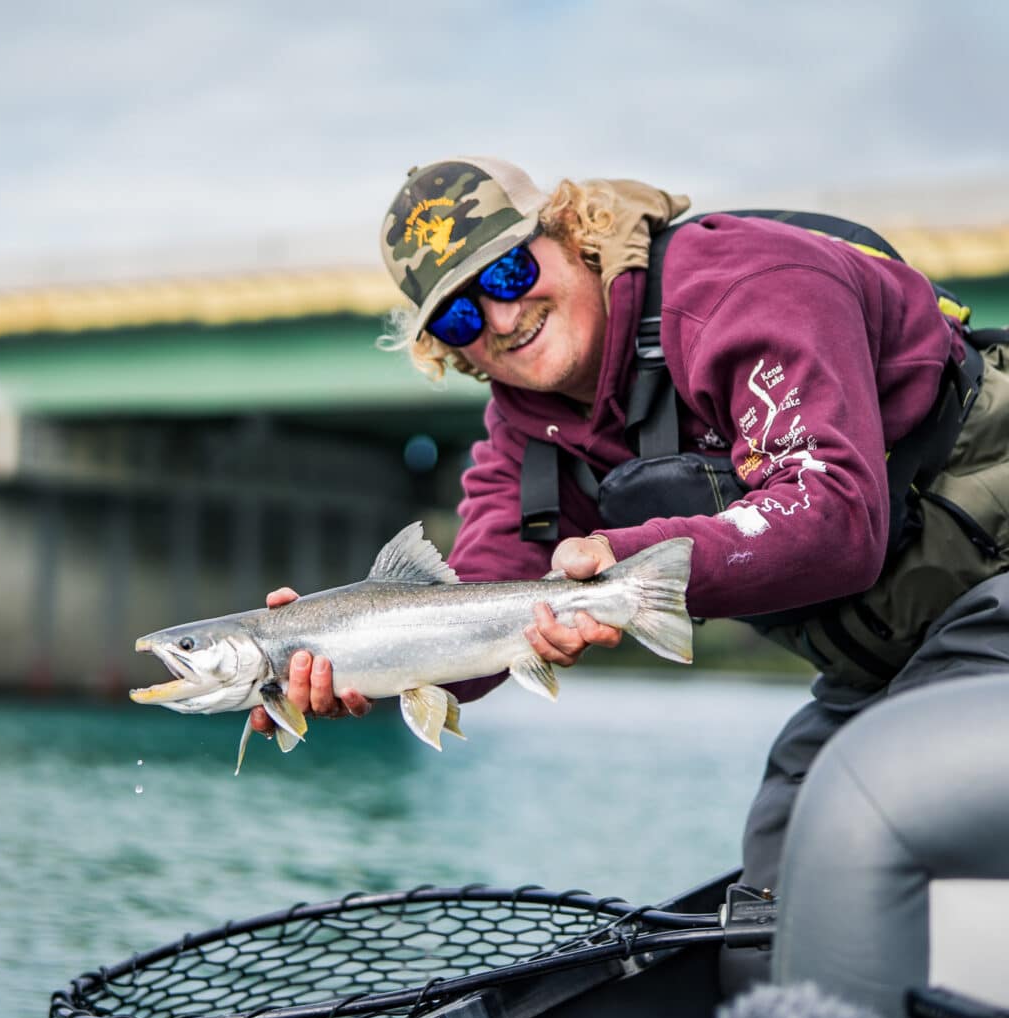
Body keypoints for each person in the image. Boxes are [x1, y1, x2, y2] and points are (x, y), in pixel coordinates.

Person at [251, 156, 1009, 903]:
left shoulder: (742, 285)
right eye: (460, 315)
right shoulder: (522, 433)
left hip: (993, 583)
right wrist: (345, 646)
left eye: (509, 274)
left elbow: (835, 517)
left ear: (571, 233)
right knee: (772, 906)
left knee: (882, 832)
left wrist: (624, 559)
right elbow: (476, 616)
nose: (503, 319)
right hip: (879, 669)